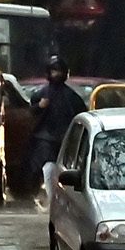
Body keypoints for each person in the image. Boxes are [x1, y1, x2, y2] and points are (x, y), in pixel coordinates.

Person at [30, 56, 86, 194]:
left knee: (67, 170)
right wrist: (40, 106)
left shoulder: (72, 96)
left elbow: (81, 114)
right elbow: (32, 112)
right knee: (48, 167)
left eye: (59, 71)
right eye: (54, 71)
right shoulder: (41, 94)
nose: (57, 74)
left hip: (66, 139)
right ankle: (51, 198)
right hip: (46, 138)